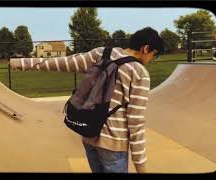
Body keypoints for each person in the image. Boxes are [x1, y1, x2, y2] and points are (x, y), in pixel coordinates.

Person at [10, 27, 164, 173]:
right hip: (113, 146)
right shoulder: (139, 73)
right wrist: (140, 165)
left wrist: (22, 63)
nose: (152, 59)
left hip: (89, 136)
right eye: (154, 54)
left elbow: (65, 63)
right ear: (146, 48)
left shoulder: (102, 53)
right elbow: (135, 122)